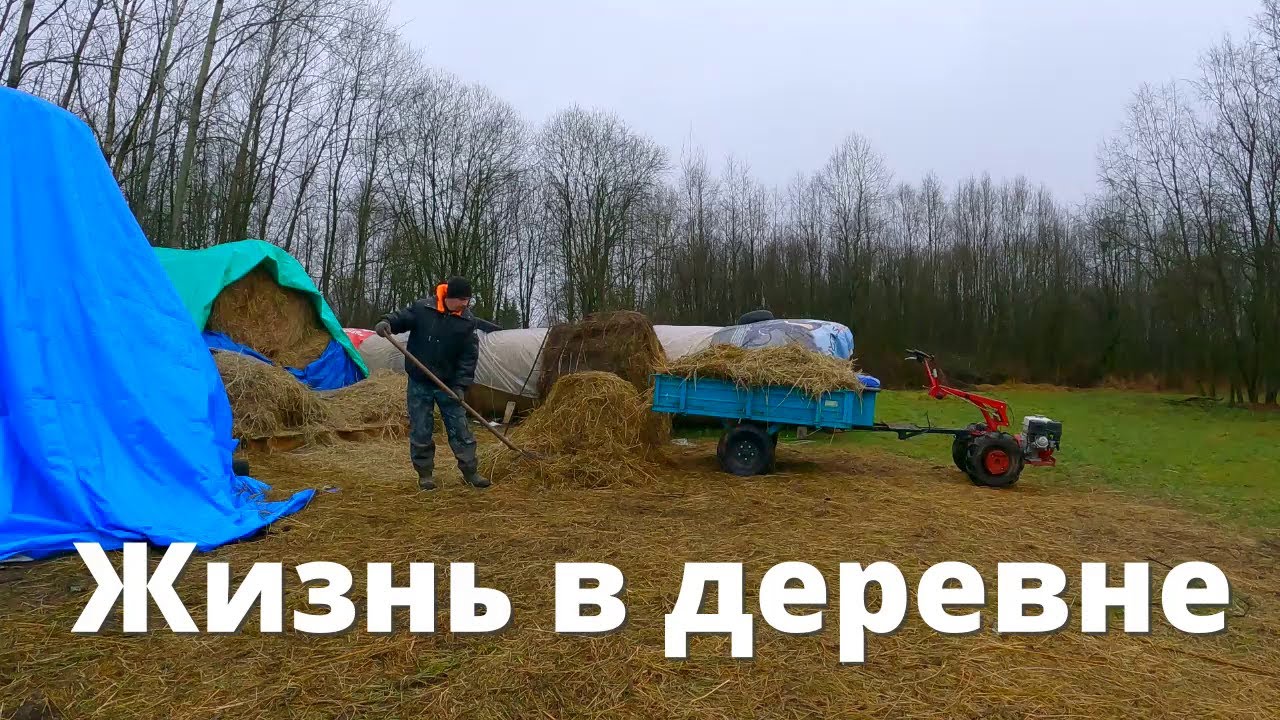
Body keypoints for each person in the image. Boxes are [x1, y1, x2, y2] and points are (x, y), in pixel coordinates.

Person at [375, 277, 490, 491]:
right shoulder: (423, 309)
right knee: (421, 430)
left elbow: (468, 358)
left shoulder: (467, 322)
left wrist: (460, 387)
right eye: (462, 299)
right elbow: (402, 318)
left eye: (468, 300)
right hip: (420, 382)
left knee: (460, 430)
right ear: (449, 297)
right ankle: (425, 474)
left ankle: (470, 472)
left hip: (449, 385)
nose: (465, 304)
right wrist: (387, 322)